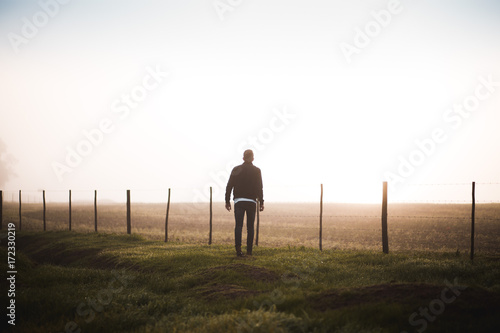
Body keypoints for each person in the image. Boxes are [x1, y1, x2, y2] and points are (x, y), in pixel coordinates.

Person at [225, 149, 264, 256]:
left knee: (238, 226)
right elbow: (259, 187)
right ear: (252, 158)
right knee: (250, 227)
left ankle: (238, 250)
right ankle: (249, 251)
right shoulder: (257, 171)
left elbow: (229, 186)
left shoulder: (236, 169)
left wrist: (227, 201)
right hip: (251, 202)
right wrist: (261, 202)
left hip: (239, 201)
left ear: (243, 158)